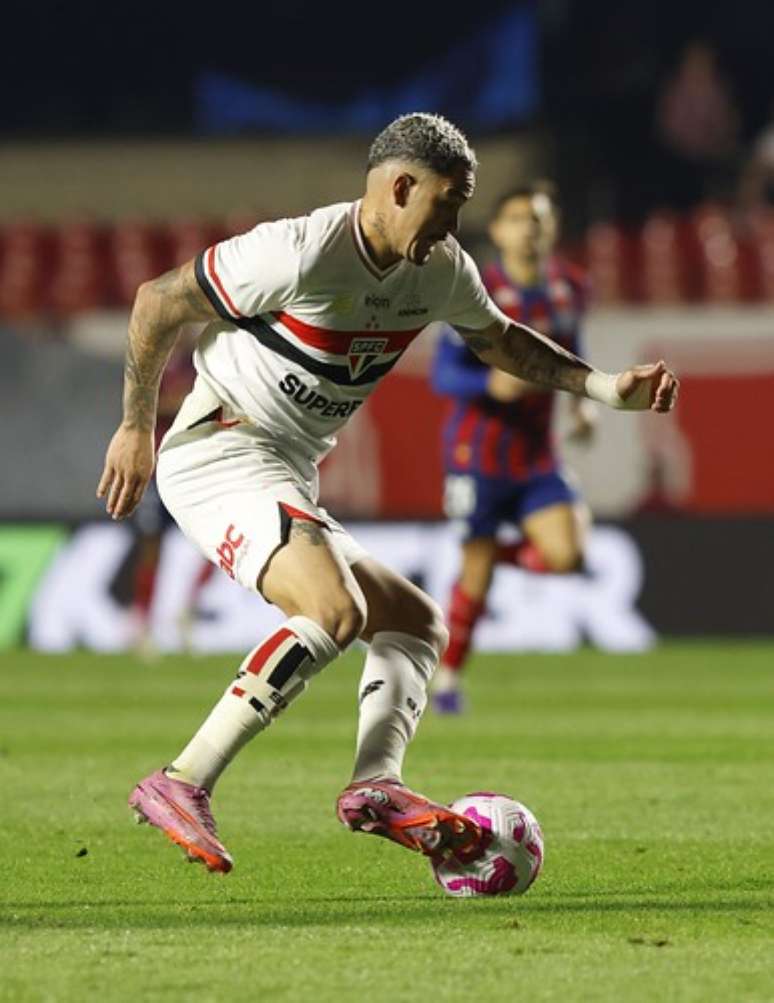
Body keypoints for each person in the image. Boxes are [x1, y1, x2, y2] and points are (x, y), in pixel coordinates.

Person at [97, 113, 679, 875]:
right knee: (334, 610)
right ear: (400, 187)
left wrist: (603, 387)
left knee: (415, 622)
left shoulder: (439, 268)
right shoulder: (299, 250)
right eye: (446, 203)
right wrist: (135, 426)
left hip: (284, 467)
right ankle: (182, 780)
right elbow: (158, 299)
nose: (453, 225)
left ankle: (375, 783)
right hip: (221, 451)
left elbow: (500, 338)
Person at [429, 182, 595, 714]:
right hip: (476, 455)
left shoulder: (571, 288)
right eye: (518, 219)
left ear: (553, 228)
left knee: (568, 555)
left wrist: (583, 403)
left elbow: (571, 349)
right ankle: (447, 680)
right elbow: (442, 374)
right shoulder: (476, 291)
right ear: (498, 231)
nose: (529, 230)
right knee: (475, 578)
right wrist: (489, 384)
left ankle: (487, 556)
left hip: (537, 454)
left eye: (538, 220)